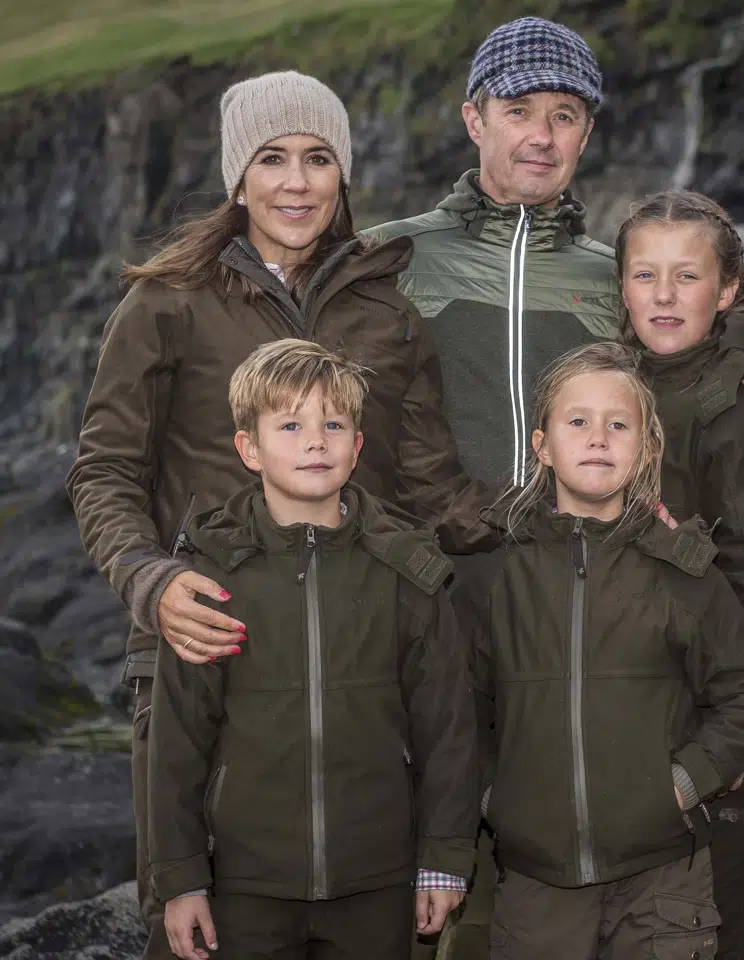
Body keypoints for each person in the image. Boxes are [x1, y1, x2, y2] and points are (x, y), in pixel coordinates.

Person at [362, 22, 744, 956]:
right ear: (473, 117)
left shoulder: (613, 276)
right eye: (519, 111)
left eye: (564, 116)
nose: (541, 136)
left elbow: (711, 320)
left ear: (587, 134)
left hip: (592, 615)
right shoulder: (391, 258)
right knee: (436, 898)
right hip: (435, 612)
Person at [65, 70, 481, 952]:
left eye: (319, 158)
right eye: (273, 158)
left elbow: (436, 493)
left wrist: (583, 508)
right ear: (237, 176)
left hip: (358, 663)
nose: (297, 182)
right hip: (201, 647)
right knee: (192, 924)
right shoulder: (165, 302)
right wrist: (149, 579)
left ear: (344, 174)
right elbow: (104, 470)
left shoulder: (388, 315)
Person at [148, 339, 479, 960]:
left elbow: (447, 727)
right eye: (291, 424)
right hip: (244, 883)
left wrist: (443, 858)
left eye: (334, 423)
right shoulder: (212, 574)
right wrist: (180, 876)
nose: (316, 440)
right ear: (249, 448)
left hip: (379, 881)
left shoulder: (407, 569)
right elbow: (177, 739)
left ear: (357, 446)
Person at [460, 341, 744, 960]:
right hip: (536, 882)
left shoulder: (681, 571)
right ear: (542, 446)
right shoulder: (496, 577)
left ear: (646, 447)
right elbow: (461, 709)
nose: (598, 438)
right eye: (577, 422)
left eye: (618, 424)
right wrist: (496, 798)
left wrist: (686, 783)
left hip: (662, 878)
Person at [616, 190, 744, 960]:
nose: (663, 296)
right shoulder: (607, 395)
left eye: (686, 277)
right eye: (644, 275)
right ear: (621, 286)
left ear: (727, 289)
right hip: (633, 722)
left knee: (708, 934)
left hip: (723, 739)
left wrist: (731, 741)